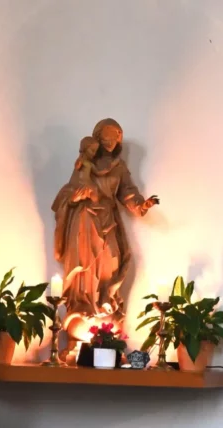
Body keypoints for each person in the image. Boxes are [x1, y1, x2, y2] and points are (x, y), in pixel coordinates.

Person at [51, 118, 159, 342]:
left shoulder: (119, 168)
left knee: (111, 262)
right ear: (97, 138)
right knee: (85, 268)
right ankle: (83, 309)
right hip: (84, 222)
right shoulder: (83, 163)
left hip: (107, 220)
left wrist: (142, 205)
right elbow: (72, 190)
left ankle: (103, 309)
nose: (110, 140)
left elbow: (128, 193)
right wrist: (78, 194)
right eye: (106, 136)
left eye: (115, 136)